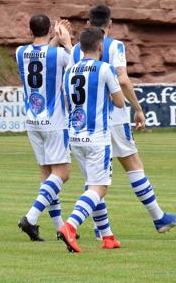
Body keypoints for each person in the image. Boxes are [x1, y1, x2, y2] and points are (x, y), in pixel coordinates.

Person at [69, 5, 176, 236]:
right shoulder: (114, 45)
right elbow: (122, 79)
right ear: (110, 24)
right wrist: (138, 108)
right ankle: (159, 218)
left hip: (85, 121)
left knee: (92, 178)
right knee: (133, 165)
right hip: (112, 117)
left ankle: (101, 229)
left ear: (87, 23)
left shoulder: (76, 49)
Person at [57, 27, 126, 253]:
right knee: (99, 187)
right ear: (100, 47)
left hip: (75, 136)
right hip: (97, 137)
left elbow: (67, 103)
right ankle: (70, 226)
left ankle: (107, 236)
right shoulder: (104, 68)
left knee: (91, 186)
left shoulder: (70, 69)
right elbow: (119, 101)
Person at [15, 15, 73, 242]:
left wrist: (53, 39)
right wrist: (65, 41)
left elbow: (40, 54)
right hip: (54, 120)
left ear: (30, 30)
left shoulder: (20, 52)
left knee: (47, 175)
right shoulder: (59, 54)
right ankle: (31, 217)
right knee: (62, 173)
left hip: (32, 119)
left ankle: (60, 227)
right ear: (49, 29)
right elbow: (77, 64)